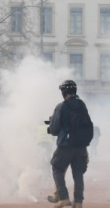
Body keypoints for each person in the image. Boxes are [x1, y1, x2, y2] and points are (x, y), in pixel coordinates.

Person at [46, 80, 93, 208]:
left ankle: (63, 197)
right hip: (81, 147)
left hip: (65, 146)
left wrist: (50, 126)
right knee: (78, 174)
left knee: (57, 168)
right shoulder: (82, 105)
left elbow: (55, 129)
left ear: (63, 92)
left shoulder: (61, 106)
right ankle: (78, 202)